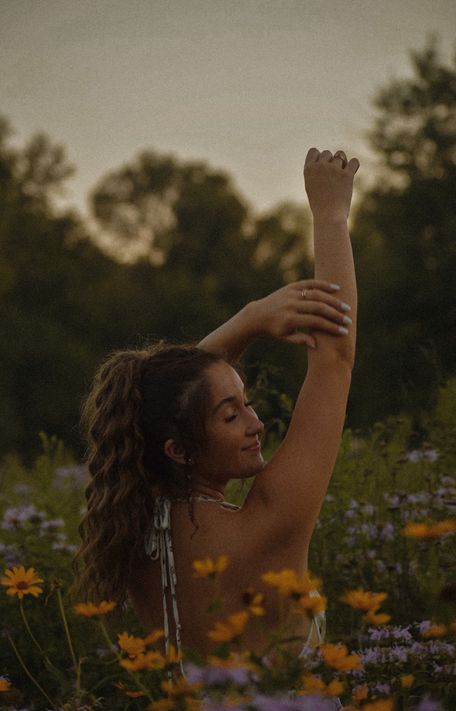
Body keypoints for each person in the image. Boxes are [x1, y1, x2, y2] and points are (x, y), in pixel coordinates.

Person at [74, 147, 359, 677]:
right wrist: (331, 216)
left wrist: (251, 318)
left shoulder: (137, 526)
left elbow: (166, 399)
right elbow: (334, 359)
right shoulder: (269, 523)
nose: (256, 424)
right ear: (178, 449)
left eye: (245, 404)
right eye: (231, 416)